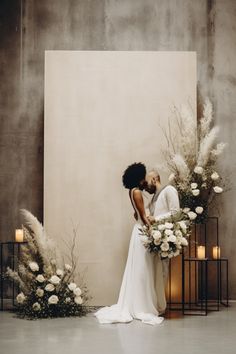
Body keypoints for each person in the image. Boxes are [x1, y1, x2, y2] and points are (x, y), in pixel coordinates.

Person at [94, 163, 164, 325]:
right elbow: (142, 216)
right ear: (139, 177)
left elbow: (135, 214)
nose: (145, 179)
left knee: (140, 268)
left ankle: (138, 303)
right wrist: (154, 232)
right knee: (141, 269)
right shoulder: (137, 192)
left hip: (137, 231)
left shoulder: (132, 191)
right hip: (141, 233)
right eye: (144, 176)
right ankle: (141, 306)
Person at [145, 168, 180, 312]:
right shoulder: (153, 198)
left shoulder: (169, 190)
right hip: (155, 240)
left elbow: (176, 213)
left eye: (147, 183)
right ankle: (154, 305)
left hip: (165, 239)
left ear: (154, 179)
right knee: (155, 273)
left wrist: (156, 219)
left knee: (163, 272)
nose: (146, 187)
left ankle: (160, 307)